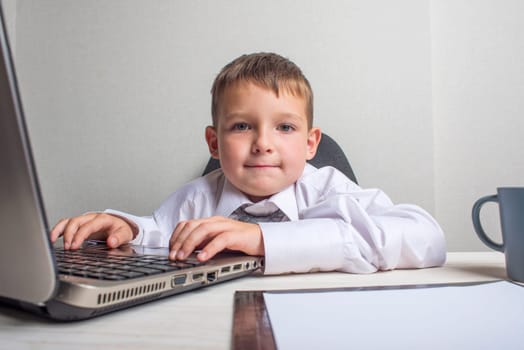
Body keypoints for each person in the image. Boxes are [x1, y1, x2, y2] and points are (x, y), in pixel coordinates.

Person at [50, 52, 446, 275]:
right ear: (214, 143)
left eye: (285, 127)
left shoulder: (330, 188)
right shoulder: (198, 197)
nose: (263, 144)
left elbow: (427, 238)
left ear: (311, 144)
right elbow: (160, 233)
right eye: (242, 126)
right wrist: (127, 228)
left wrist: (260, 240)